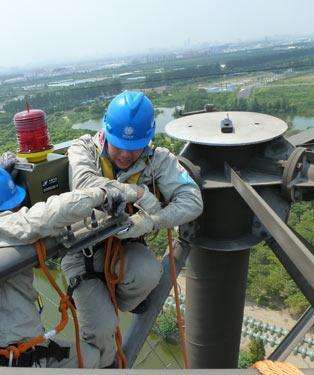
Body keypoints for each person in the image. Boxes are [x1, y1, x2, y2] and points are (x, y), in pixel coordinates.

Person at [0, 160, 140, 368]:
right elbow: (50, 214)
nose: (17, 207)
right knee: (89, 357)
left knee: (89, 356)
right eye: (12, 203)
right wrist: (102, 193)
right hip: (13, 351)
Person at [62, 90, 204, 367]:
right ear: (106, 133)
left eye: (134, 147)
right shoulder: (84, 149)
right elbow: (85, 184)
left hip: (125, 246)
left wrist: (152, 221)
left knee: (148, 274)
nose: (126, 155)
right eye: (118, 146)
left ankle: (121, 300)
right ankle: (106, 362)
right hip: (81, 251)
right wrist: (138, 193)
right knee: (101, 331)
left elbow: (192, 201)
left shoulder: (157, 160)